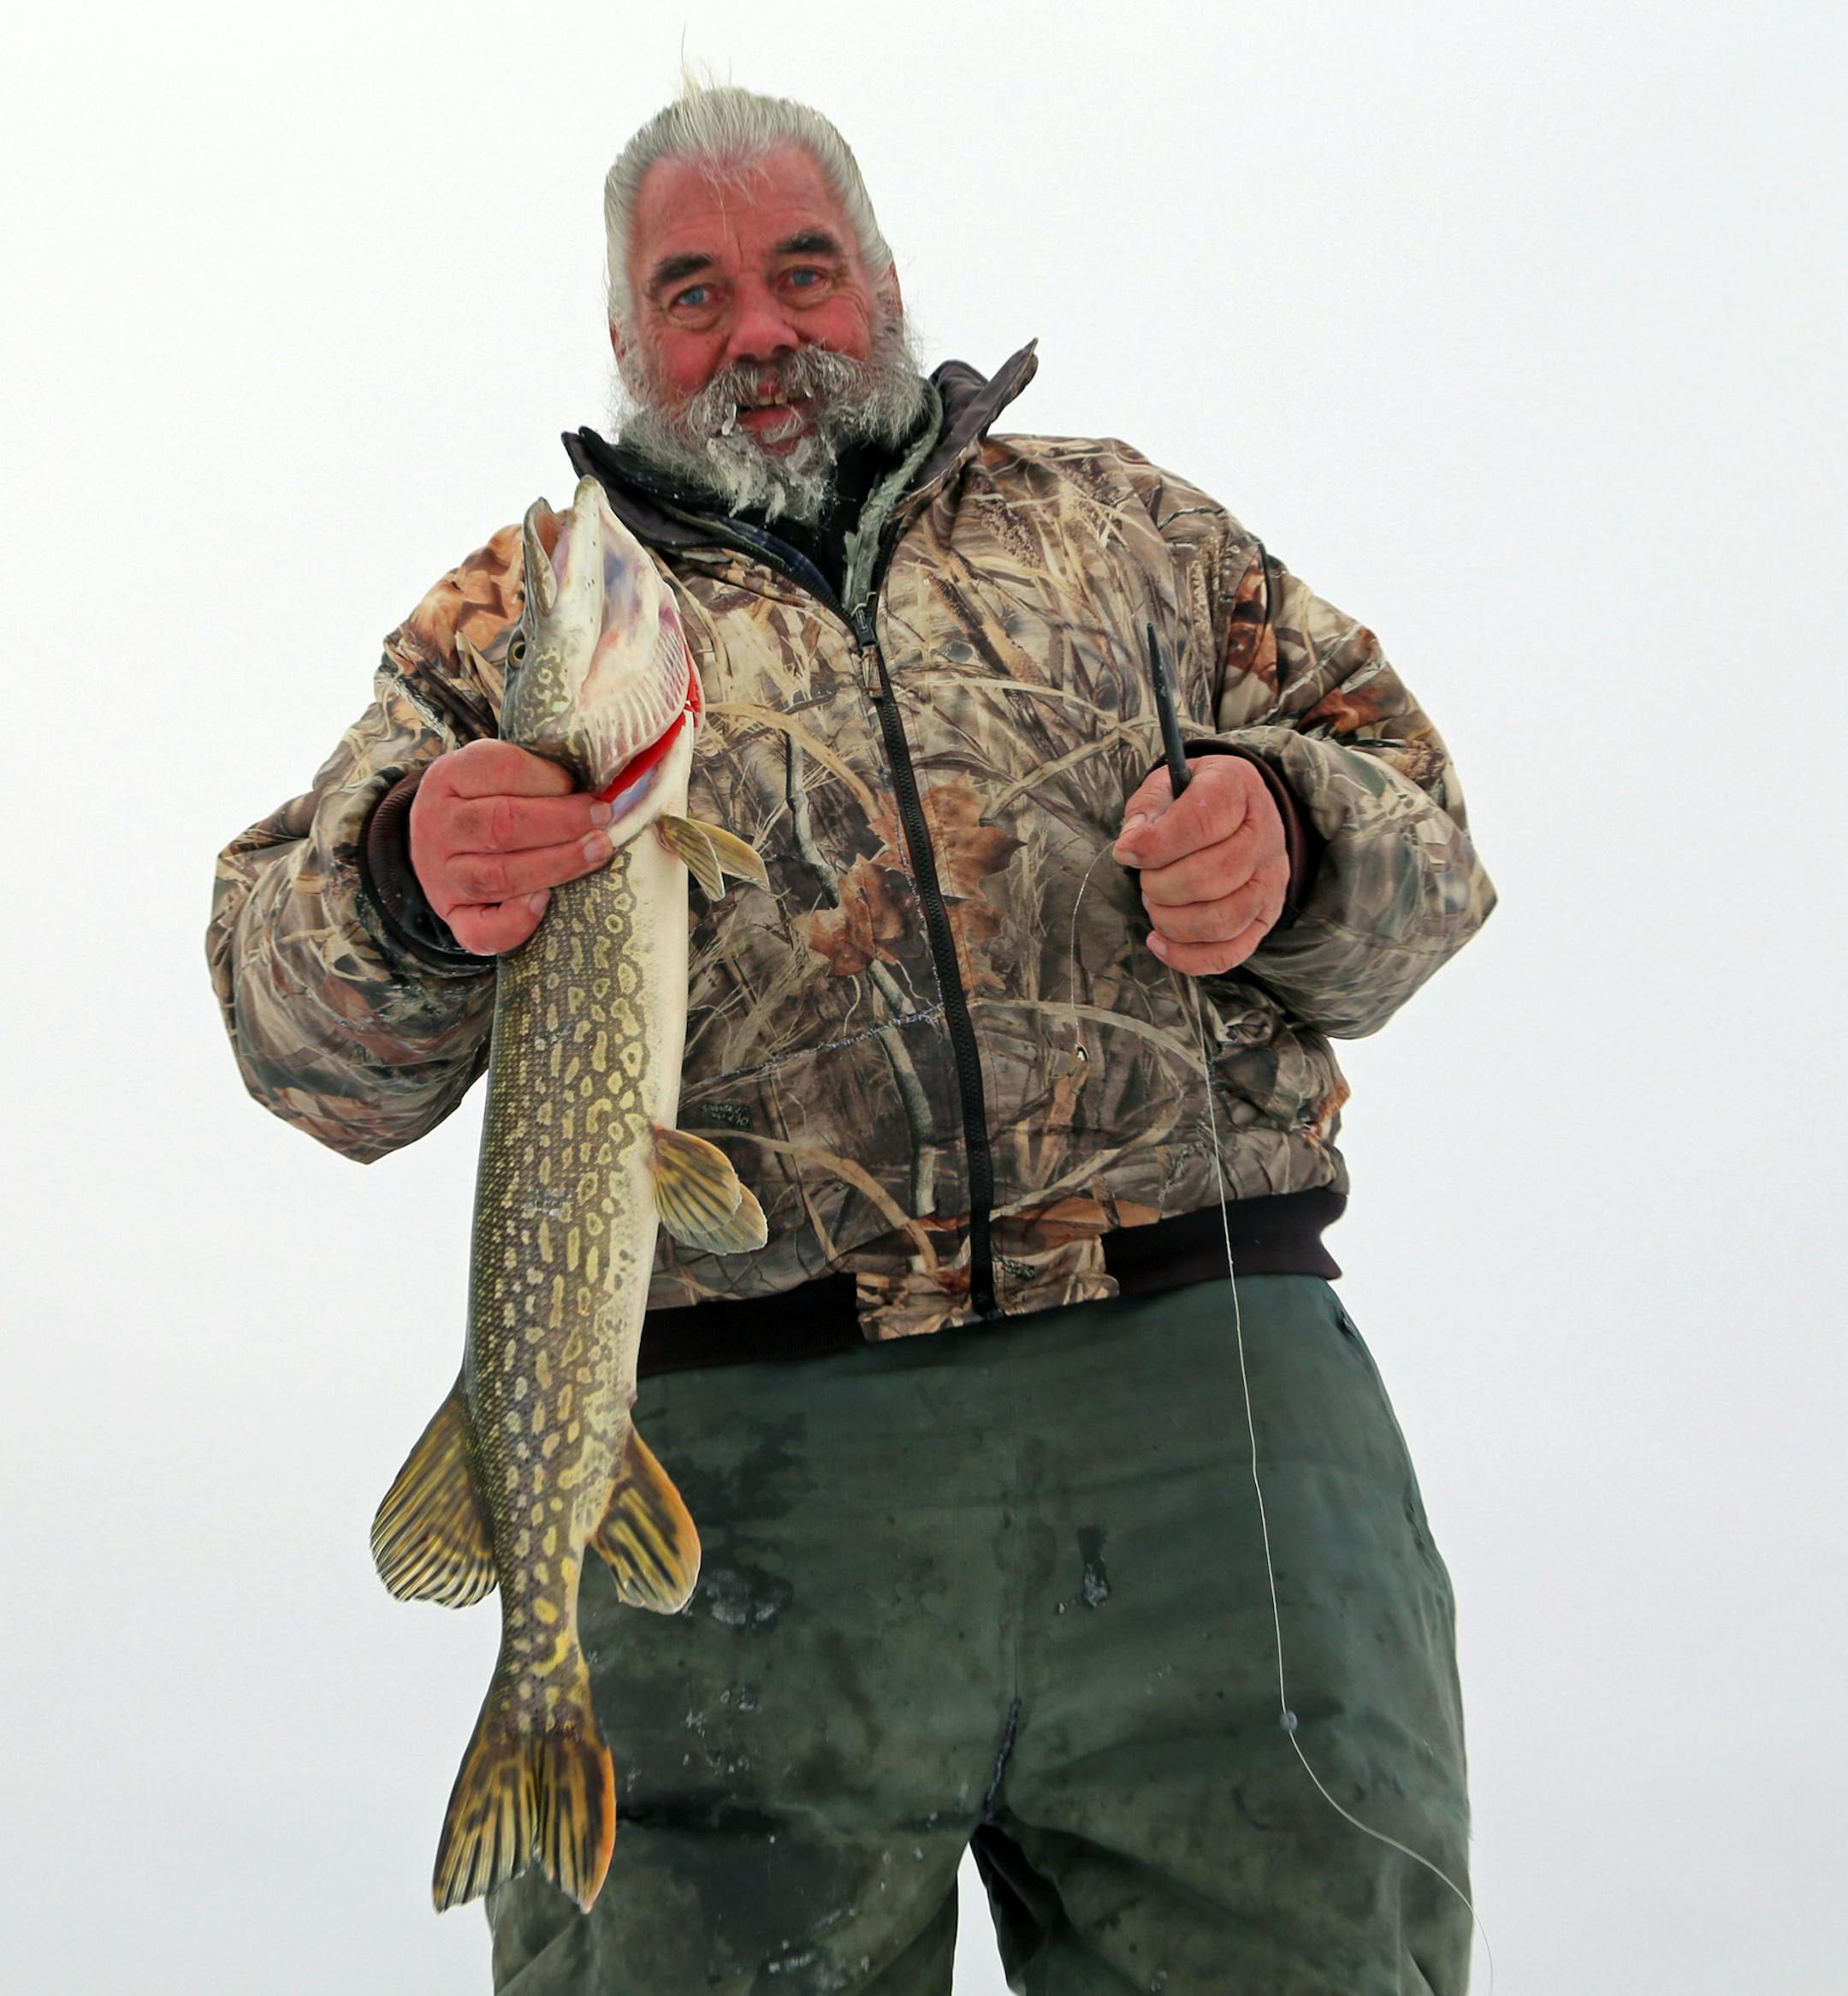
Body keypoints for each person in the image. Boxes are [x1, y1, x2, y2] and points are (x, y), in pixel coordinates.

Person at [209, 80, 1495, 1996]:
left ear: (884, 283)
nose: (761, 331)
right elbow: (292, 1022)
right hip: (731, 1488)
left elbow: (1427, 844)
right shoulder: (530, 615)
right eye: (695, 291)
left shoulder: (1124, 528)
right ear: (630, 337)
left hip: (1204, 1438)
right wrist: (407, 873)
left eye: (802, 271)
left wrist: (1290, 840)